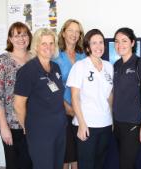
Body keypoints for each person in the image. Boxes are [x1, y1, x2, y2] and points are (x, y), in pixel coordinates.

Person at [14, 28, 67, 169]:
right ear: (36, 46)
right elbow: (19, 104)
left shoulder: (55, 67)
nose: (48, 47)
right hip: (40, 131)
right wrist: (26, 126)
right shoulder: (28, 71)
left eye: (51, 43)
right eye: (44, 43)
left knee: (57, 165)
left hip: (59, 128)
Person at [67, 29, 113, 169]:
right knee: (86, 164)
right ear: (87, 47)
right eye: (94, 43)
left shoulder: (108, 66)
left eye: (101, 42)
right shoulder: (80, 66)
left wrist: (112, 119)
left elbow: (110, 95)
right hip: (87, 124)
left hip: (105, 123)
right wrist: (81, 123)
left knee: (100, 163)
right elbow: (74, 97)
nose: (98, 46)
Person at [0, 22, 33, 169]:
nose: (21, 38)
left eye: (24, 34)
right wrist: (3, 126)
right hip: (12, 124)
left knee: (32, 163)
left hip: (34, 124)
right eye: (17, 35)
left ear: (29, 37)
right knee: (15, 164)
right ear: (10, 38)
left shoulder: (34, 59)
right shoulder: (3, 61)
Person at [112, 27, 141, 169]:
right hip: (117, 124)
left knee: (126, 165)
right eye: (117, 41)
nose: (120, 45)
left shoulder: (140, 64)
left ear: (132, 43)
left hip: (133, 124)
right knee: (126, 164)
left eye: (124, 41)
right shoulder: (116, 65)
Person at [54, 19, 85, 169]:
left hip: (81, 111)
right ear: (63, 33)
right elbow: (53, 87)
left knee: (79, 153)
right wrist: (68, 108)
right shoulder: (56, 56)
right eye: (70, 30)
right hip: (63, 110)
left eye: (77, 31)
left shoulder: (83, 56)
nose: (74, 34)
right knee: (66, 154)